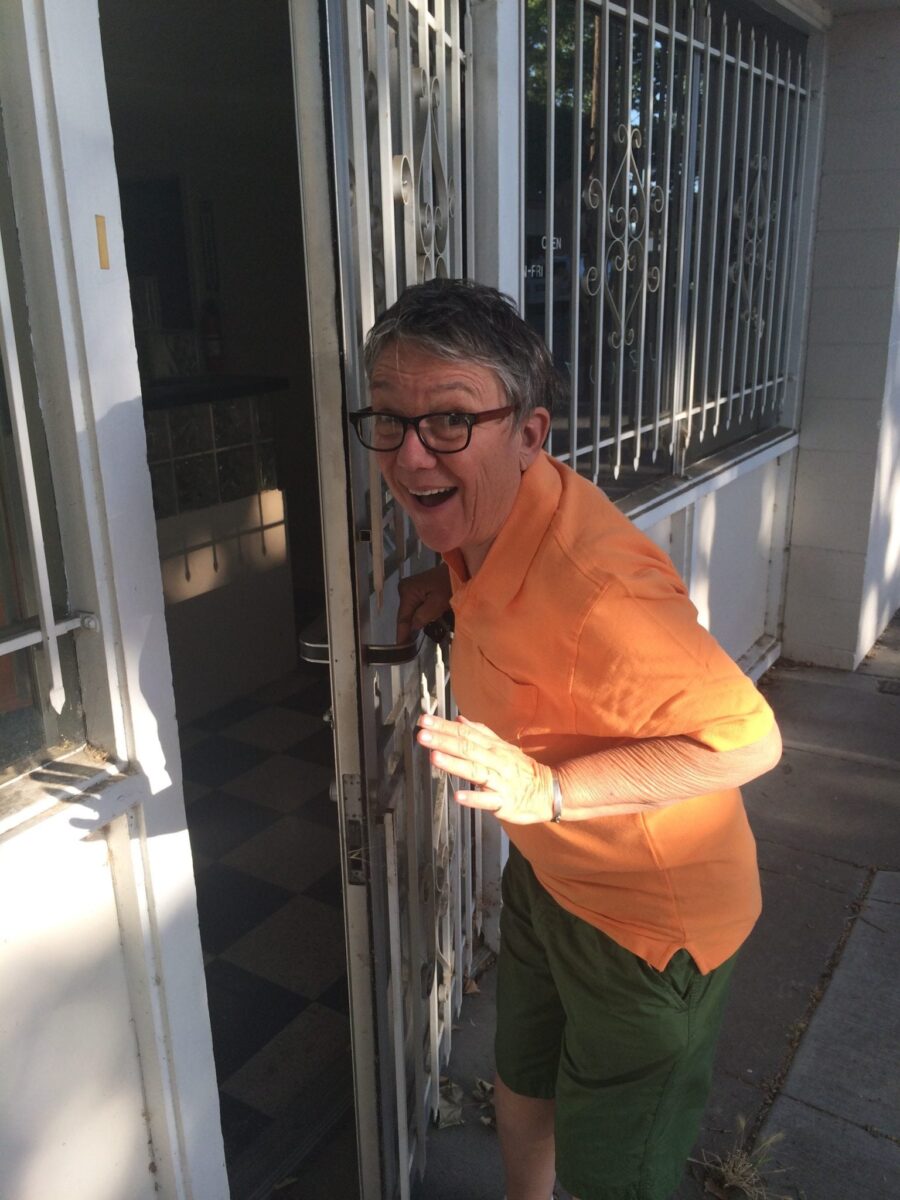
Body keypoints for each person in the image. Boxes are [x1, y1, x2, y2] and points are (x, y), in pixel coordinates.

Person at [350, 278, 782, 1200]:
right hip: (551, 877)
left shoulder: (600, 595)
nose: (412, 452)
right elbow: (494, 563)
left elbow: (750, 742)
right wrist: (446, 584)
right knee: (523, 1078)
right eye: (389, 418)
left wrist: (547, 791)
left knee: (617, 1171)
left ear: (532, 433)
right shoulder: (488, 515)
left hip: (649, 927)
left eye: (451, 420)